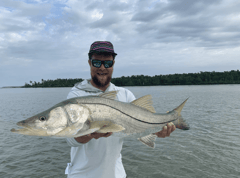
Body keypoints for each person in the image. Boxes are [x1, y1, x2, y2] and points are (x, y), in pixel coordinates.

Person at [65, 41, 176, 178]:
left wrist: (158, 131)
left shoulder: (125, 95)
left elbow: (139, 129)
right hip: (81, 174)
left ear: (113, 64)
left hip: (116, 174)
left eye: (107, 63)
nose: (102, 68)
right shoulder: (76, 95)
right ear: (89, 63)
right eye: (97, 62)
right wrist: (90, 134)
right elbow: (70, 140)